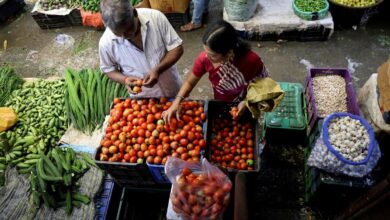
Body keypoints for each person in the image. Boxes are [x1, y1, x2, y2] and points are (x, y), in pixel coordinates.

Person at [162, 20, 269, 123]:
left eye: (213, 55)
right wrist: (176, 102)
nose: (207, 57)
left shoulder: (251, 61)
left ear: (229, 53)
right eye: (206, 52)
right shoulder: (204, 59)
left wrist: (247, 102)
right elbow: (189, 82)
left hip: (248, 99)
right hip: (221, 100)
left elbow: (264, 86)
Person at [99, 0, 184, 97]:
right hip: (143, 99)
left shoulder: (155, 18)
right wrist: (125, 80)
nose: (124, 37)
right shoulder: (106, 43)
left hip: (171, 87)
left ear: (135, 13)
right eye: (118, 34)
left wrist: (158, 69)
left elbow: (177, 48)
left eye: (129, 30)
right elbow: (108, 69)